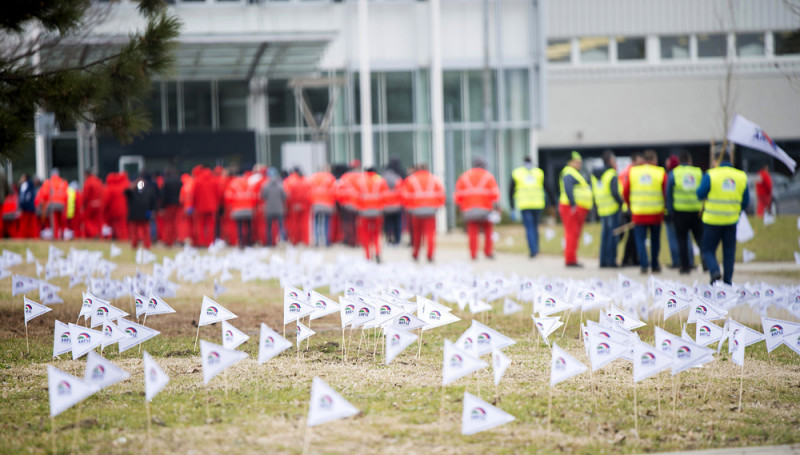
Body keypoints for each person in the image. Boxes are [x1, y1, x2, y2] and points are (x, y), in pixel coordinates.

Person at [697, 155, 749, 285]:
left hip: (712, 221)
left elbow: (699, 194)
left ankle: (714, 271)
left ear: (716, 161)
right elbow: (746, 201)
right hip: (731, 220)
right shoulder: (741, 176)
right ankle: (727, 281)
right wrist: (735, 210)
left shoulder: (711, 175)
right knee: (729, 252)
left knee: (708, 250)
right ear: (730, 161)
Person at [623, 149, 666, 274]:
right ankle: (654, 264)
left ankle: (643, 265)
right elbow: (665, 192)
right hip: (656, 213)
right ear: (654, 159)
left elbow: (625, 192)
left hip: (639, 212)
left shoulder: (633, 172)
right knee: (655, 240)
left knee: (640, 240)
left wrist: (630, 205)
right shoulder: (660, 172)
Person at [454, 156, 500, 260]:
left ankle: (473, 254)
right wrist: (496, 207)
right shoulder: (488, 177)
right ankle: (488, 252)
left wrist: (460, 207)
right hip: (486, 209)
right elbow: (495, 194)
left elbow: (458, 195)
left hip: (469, 209)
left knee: (472, 232)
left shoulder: (464, 177)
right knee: (488, 231)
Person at [667, 151, 704, 275]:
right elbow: (704, 189)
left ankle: (685, 266)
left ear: (679, 162)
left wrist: (670, 210)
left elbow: (669, 193)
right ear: (690, 161)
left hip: (680, 212)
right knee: (700, 239)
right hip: (696, 211)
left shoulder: (674, 174)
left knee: (682, 240)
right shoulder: (698, 172)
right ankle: (707, 263)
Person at [401, 163, 445, 262]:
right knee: (430, 234)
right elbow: (441, 195)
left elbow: (404, 196)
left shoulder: (410, 180)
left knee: (416, 234)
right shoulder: (435, 179)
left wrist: (409, 208)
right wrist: (437, 206)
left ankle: (415, 254)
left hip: (415, 211)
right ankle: (430, 255)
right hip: (430, 211)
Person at [558, 151, 592, 267]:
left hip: (574, 207)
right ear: (570, 162)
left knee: (574, 233)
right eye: (576, 162)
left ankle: (571, 258)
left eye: (580, 162)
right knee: (572, 233)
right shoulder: (569, 172)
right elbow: (568, 188)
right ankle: (570, 260)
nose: (579, 164)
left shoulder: (575, 173)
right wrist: (573, 204)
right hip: (570, 207)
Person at [591, 150, 623, 268]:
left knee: (605, 235)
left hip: (602, 208)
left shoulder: (595, 174)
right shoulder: (611, 174)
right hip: (612, 208)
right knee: (613, 236)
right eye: (614, 160)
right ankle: (611, 261)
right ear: (610, 160)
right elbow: (615, 192)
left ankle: (603, 261)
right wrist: (621, 204)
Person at [509, 156, 545, 258]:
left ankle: (533, 250)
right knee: (535, 227)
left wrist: (512, 207)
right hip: (538, 204)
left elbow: (511, 191)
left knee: (530, 228)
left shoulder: (517, 173)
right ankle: (536, 248)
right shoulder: (539, 172)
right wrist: (552, 203)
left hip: (525, 205)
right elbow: (547, 187)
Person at [355, 167, 388, 262]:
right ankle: (377, 252)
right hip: (377, 211)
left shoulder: (360, 181)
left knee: (365, 234)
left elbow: (356, 197)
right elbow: (385, 196)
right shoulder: (381, 181)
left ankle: (368, 255)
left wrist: (359, 209)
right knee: (377, 233)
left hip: (364, 212)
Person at [619, 152, 643, 267]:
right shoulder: (628, 173)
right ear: (633, 161)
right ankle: (628, 260)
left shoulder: (631, 172)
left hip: (633, 207)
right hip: (628, 209)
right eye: (639, 162)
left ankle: (632, 259)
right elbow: (625, 191)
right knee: (631, 237)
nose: (641, 165)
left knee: (632, 237)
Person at [125, 174, 157, 249]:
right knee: (134, 231)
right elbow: (125, 193)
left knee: (146, 231)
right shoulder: (132, 191)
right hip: (134, 214)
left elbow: (153, 202)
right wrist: (132, 186)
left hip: (145, 214)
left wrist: (153, 211)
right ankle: (134, 244)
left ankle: (147, 245)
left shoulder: (149, 190)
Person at [35, 168, 69, 240]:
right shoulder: (63, 182)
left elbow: (44, 194)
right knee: (61, 222)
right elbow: (66, 196)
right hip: (62, 205)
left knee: (55, 222)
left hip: (52, 205)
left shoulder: (48, 182)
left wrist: (42, 204)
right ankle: (62, 235)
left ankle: (56, 237)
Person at [225, 171, 256, 249]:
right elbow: (254, 197)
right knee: (249, 226)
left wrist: (231, 205)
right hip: (249, 209)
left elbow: (228, 197)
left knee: (239, 227)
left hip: (237, 209)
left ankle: (241, 243)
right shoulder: (249, 183)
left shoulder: (233, 184)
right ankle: (249, 242)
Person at [309, 167, 336, 247]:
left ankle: (317, 241)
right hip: (327, 204)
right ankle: (327, 242)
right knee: (326, 223)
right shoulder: (330, 178)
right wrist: (333, 204)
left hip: (316, 203)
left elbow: (309, 191)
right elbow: (334, 191)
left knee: (317, 222)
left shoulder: (313, 178)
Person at [663, 155, 682, 269]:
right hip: (689, 210)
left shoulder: (671, 176)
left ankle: (676, 261)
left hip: (673, 210)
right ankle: (687, 260)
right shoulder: (692, 173)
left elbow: (668, 194)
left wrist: (669, 210)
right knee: (685, 237)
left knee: (673, 237)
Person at [382, 158, 406, 246]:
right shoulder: (398, 178)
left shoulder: (382, 179)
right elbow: (402, 191)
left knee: (388, 223)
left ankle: (389, 239)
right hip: (396, 205)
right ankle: (397, 239)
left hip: (386, 205)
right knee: (397, 223)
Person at [262, 167, 287, 246]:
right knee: (281, 227)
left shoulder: (266, 186)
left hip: (269, 209)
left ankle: (269, 242)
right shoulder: (280, 186)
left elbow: (263, 196)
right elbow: (284, 196)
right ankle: (282, 241)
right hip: (279, 209)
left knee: (269, 228)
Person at [159, 167, 183, 246]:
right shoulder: (180, 181)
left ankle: (169, 241)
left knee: (168, 223)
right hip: (178, 204)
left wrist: (161, 207)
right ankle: (177, 239)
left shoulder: (166, 182)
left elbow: (163, 195)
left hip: (168, 205)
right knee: (177, 223)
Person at [82, 169, 104, 238]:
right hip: (99, 203)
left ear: (86, 175)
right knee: (98, 220)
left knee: (86, 219)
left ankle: (94, 233)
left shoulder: (88, 182)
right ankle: (100, 234)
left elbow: (85, 195)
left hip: (91, 204)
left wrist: (83, 205)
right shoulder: (98, 181)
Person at [17, 174, 39, 238]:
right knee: (33, 224)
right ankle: (34, 236)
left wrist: (21, 206)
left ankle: (22, 236)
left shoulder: (24, 185)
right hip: (32, 206)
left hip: (25, 207)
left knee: (24, 223)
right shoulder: (31, 185)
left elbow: (23, 197)